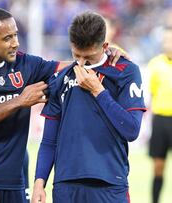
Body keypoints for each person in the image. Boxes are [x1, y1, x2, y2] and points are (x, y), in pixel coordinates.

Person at [0, 8, 125, 203]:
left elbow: (70, 67)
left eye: (15, 35)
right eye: (7, 38)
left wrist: (104, 55)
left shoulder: (24, 64)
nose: (16, 43)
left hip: (15, 182)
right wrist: (19, 101)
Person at [32, 11, 146, 203]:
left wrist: (99, 92)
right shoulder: (61, 78)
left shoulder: (126, 72)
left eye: (89, 57)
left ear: (105, 46)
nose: (82, 64)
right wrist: (39, 183)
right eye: (77, 55)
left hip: (109, 183)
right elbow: (49, 141)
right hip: (66, 185)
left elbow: (131, 130)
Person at [148, 19, 172, 203]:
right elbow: (153, 92)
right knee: (158, 167)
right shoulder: (155, 64)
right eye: (165, 41)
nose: (167, 44)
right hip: (161, 120)